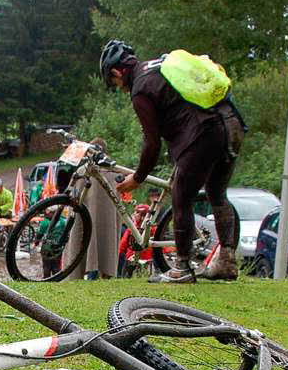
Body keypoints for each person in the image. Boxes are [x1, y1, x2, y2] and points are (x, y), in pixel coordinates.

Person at [99, 39, 245, 283]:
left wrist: (137, 178)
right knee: (217, 193)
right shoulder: (161, 66)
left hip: (203, 133)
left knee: (181, 196)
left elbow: (151, 142)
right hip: (231, 124)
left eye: (114, 83)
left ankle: (182, 268)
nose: (120, 88)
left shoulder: (140, 89)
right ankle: (227, 262)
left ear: (116, 72)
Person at [63, 137, 121, 281]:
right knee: (106, 242)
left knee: (79, 237)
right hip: (105, 223)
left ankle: (78, 274)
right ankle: (106, 274)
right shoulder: (114, 172)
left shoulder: (82, 171)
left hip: (83, 219)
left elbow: (71, 198)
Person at [34, 205, 67, 278]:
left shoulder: (44, 223)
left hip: (47, 248)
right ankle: (56, 280)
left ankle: (47, 280)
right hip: (58, 248)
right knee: (57, 266)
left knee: (46, 266)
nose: (46, 214)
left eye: (49, 212)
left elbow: (39, 235)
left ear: (54, 213)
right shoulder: (63, 221)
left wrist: (36, 243)